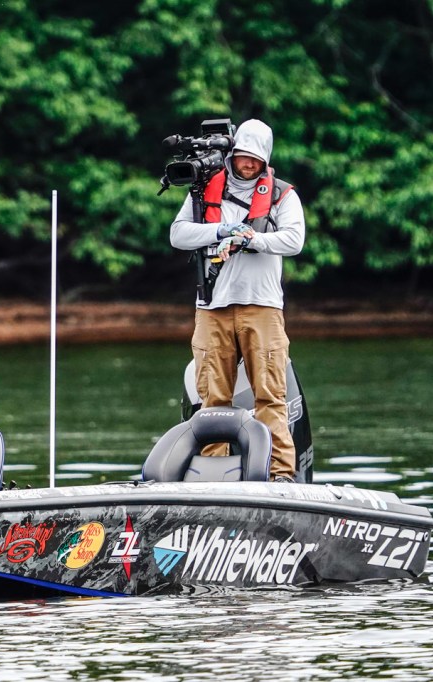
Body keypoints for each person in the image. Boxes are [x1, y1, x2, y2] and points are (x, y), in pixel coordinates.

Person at [169, 119, 305, 482]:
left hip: (262, 307)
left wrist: (252, 239)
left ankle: (280, 474)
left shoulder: (281, 194)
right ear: (233, 154)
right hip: (212, 308)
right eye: (244, 156)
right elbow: (178, 234)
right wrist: (220, 231)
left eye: (256, 159)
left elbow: (294, 241)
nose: (248, 163)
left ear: (265, 160)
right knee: (213, 399)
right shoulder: (205, 190)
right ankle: (213, 474)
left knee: (270, 395)